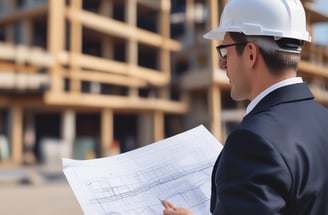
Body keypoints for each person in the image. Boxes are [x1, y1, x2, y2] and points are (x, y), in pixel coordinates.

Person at [162, 0, 328, 214]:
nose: (222, 64)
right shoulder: (323, 120)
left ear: (251, 53)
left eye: (224, 51)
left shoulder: (252, 143)